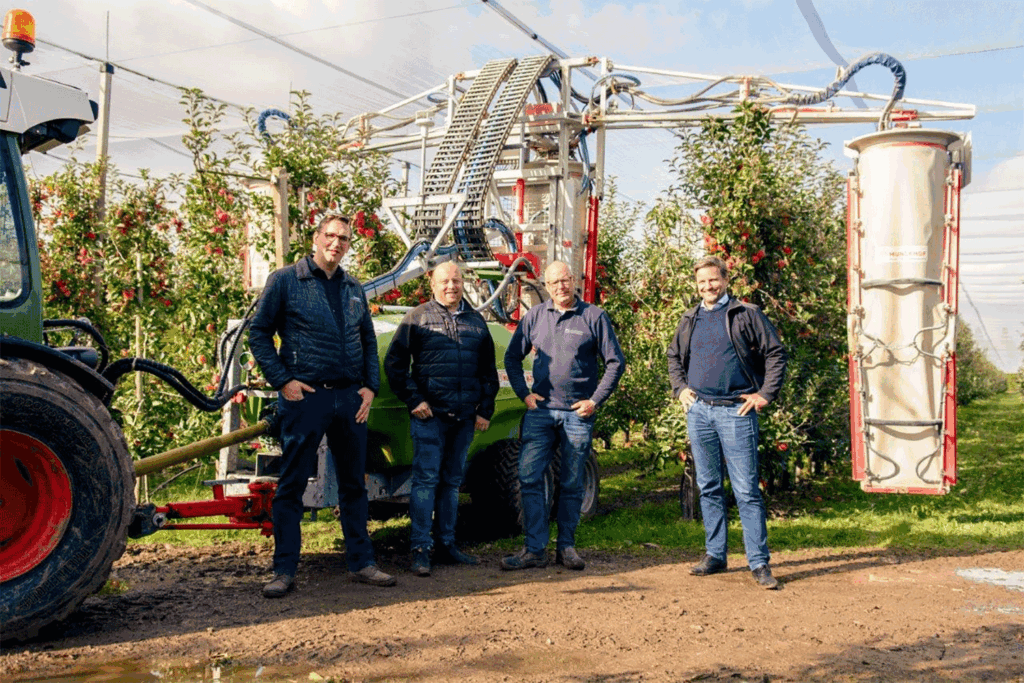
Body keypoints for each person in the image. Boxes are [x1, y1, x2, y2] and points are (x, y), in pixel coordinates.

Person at [249, 214, 396, 598]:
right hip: (305, 398)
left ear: (348, 245)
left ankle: (362, 563)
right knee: (292, 486)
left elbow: (368, 340)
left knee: (354, 485)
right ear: (316, 239)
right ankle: (284, 571)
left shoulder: (353, 287)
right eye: (330, 236)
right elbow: (258, 333)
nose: (336, 243)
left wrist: (370, 387)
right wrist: (283, 381)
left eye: (343, 238)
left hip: (349, 399)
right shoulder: (286, 281)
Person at [667, 255, 787, 590]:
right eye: (702, 282)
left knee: (746, 489)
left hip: (737, 411)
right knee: (708, 486)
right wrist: (680, 389)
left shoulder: (746, 314)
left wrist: (764, 394)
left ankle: (758, 562)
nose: (708, 286)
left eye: (713, 280)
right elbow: (673, 356)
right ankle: (715, 554)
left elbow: (776, 353)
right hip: (700, 411)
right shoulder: (690, 318)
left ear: (725, 280)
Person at [501, 260, 625, 572]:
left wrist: (595, 400)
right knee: (529, 476)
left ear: (574, 281)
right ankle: (534, 549)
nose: (561, 286)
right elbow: (512, 357)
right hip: (541, 412)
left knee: (571, 482)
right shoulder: (535, 316)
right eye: (554, 282)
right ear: (546, 286)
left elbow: (615, 362)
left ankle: (566, 547)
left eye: (565, 280)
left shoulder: (593, 316)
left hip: (577, 415)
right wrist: (524, 393)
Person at [383, 261, 499, 577]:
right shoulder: (417, 318)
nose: (451, 286)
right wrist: (414, 400)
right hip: (430, 416)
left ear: (463, 284)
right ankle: (421, 549)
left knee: (451, 483)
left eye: (456, 280)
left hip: (464, 418)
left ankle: (447, 544)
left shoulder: (476, 322)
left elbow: (488, 371)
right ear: (432, 285)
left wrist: (485, 409)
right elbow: (395, 365)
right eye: (444, 281)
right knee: (426, 482)